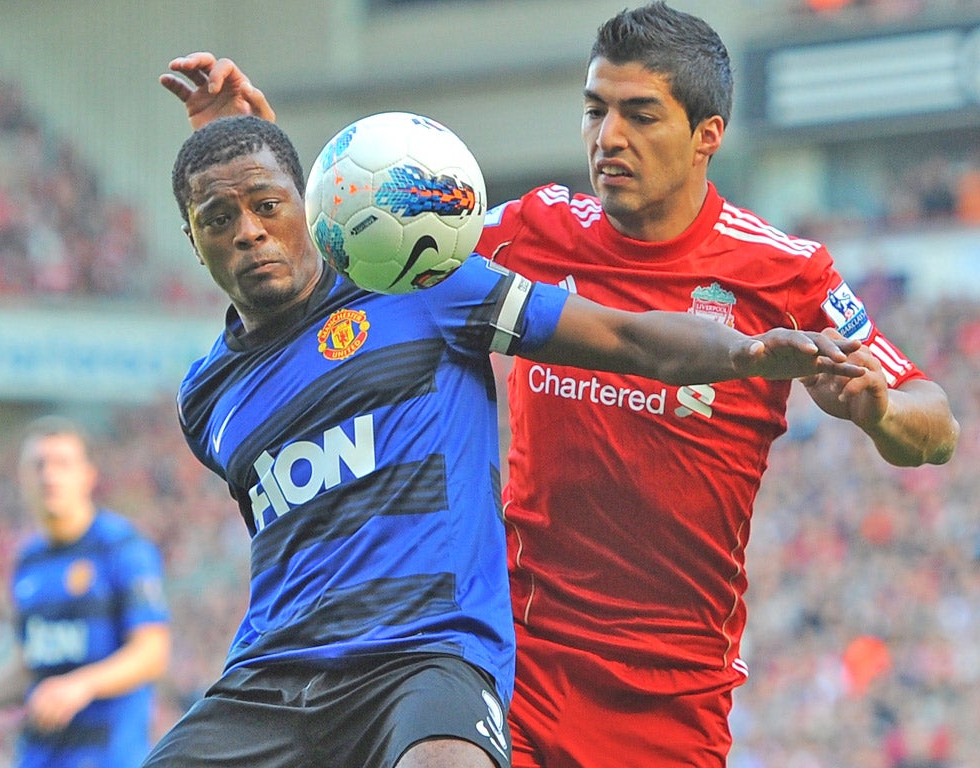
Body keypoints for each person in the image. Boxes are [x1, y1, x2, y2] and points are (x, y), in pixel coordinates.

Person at [143, 105, 866, 768]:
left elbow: (624, 336)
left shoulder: (419, 285)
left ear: (307, 204)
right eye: (218, 219)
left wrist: (744, 352)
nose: (248, 231)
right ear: (192, 238)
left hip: (425, 659)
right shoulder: (205, 399)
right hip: (271, 678)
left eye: (268, 206)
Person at [0, 416, 171, 768]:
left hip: (109, 754)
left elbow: (152, 652)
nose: (49, 475)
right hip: (40, 754)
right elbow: (31, 666)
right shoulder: (27, 560)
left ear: (88, 475)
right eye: (37, 465)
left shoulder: (122, 547)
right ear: (22, 479)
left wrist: (81, 684)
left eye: (62, 463)